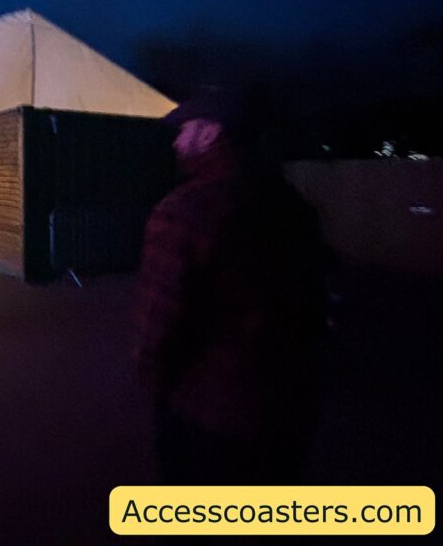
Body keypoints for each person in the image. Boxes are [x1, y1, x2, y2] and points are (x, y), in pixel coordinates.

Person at [134, 87, 325, 485]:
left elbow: (161, 323)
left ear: (209, 133)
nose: (176, 140)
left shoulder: (184, 211)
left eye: (185, 130)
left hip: (206, 409)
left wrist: (152, 379)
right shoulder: (292, 205)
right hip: (286, 404)